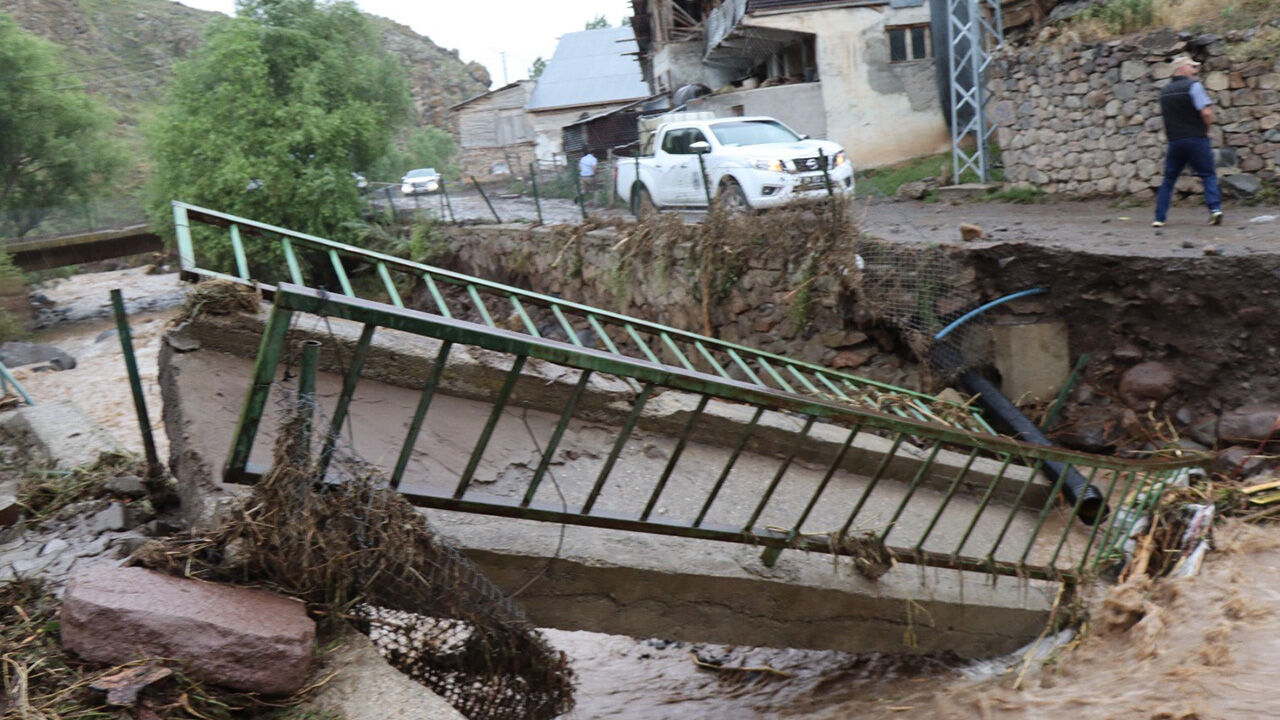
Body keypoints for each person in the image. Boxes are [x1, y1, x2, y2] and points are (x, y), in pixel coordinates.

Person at [1153, 55, 1223, 228]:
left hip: (1175, 141)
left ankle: (1159, 218)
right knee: (1207, 175)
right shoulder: (1194, 86)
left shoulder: (1164, 92)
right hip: (1196, 138)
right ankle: (1215, 209)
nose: (1195, 70)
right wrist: (1208, 128)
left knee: (1169, 179)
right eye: (1192, 67)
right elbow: (1206, 112)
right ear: (1182, 68)